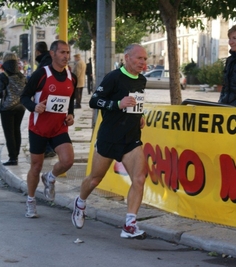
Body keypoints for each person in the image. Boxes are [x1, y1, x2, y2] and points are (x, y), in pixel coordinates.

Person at [71, 43, 148, 239]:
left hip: (131, 139)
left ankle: (130, 224)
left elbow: (134, 103)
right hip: (109, 137)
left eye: (145, 59)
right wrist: (117, 104)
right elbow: (94, 101)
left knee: (139, 179)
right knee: (95, 179)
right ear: (127, 57)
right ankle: (80, 203)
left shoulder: (142, 80)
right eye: (139, 58)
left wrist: (138, 115)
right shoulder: (114, 77)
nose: (143, 62)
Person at [20, 40, 77, 218]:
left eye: (67, 53)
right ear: (52, 54)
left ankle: (50, 177)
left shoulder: (71, 77)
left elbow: (70, 101)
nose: (65, 56)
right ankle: (30, 200)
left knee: (68, 161)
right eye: (62, 52)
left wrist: (70, 115)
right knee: (36, 166)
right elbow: (24, 96)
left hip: (59, 128)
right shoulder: (41, 74)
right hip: (39, 128)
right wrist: (34, 106)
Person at [0, 53, 26, 166]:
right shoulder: (22, 76)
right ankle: (16, 155)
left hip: (7, 108)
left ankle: (12, 158)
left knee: (9, 133)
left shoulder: (3, 76)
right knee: (16, 130)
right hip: (21, 107)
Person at [34, 41, 56, 158]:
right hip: (53, 94)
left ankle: (48, 148)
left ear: (37, 51)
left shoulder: (44, 61)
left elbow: (39, 78)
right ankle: (50, 147)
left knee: (45, 122)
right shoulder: (50, 59)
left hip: (46, 95)